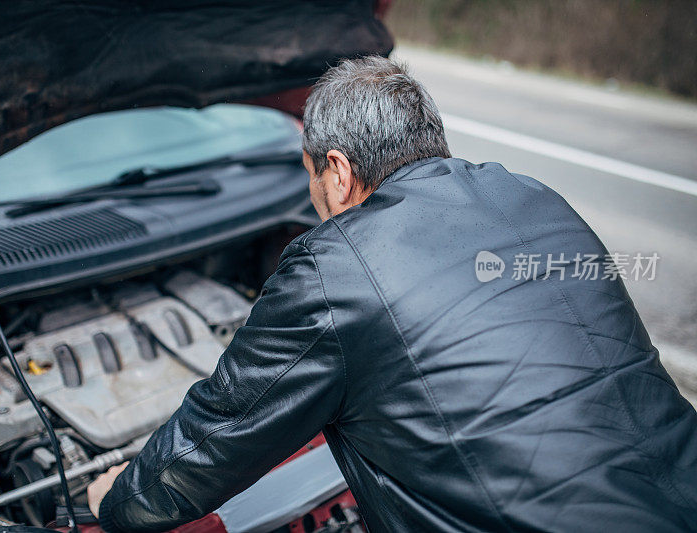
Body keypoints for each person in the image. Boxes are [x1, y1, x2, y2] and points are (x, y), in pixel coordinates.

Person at [87, 56, 697, 532]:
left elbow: (215, 439)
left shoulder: (336, 270)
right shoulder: (537, 197)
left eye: (312, 182)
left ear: (339, 170)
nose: (314, 203)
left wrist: (118, 503)